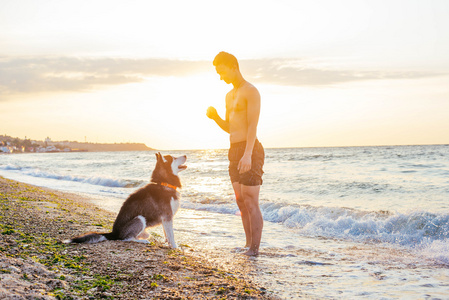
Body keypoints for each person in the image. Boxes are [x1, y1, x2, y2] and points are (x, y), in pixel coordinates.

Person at [206, 51, 265, 256]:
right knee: (240, 200)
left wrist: (248, 154)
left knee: (250, 200)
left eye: (222, 72)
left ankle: (255, 249)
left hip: (250, 149)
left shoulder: (251, 91)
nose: (221, 77)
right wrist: (215, 118)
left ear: (233, 67)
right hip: (234, 150)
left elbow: (251, 127)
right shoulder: (229, 96)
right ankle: (248, 244)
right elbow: (231, 127)